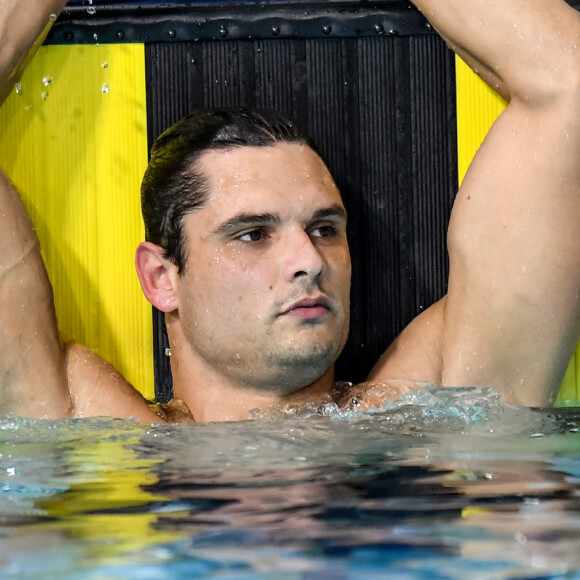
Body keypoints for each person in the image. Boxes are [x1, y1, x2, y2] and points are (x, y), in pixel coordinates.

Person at [1, 0, 579, 423]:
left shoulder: (448, 399)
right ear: (161, 278)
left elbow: (568, 81)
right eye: (252, 235)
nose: (309, 260)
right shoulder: (80, 423)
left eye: (325, 228)